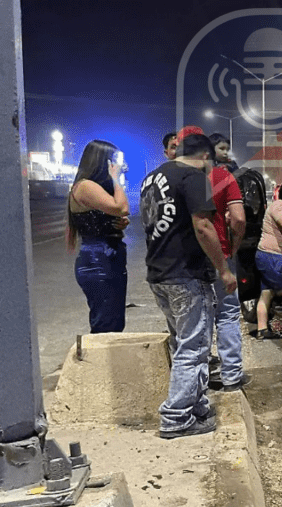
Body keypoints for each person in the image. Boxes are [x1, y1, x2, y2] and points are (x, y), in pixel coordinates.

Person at [140, 133, 237, 439]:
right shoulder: (193, 177)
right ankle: (176, 416)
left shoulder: (153, 177)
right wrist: (224, 270)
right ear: (205, 156)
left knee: (182, 342)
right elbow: (203, 226)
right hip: (185, 274)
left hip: (160, 273)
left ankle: (196, 404)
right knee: (194, 347)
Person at [180, 128, 252, 391]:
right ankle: (231, 375)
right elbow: (239, 219)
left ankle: (199, 378)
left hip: (187, 259)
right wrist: (233, 247)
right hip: (220, 253)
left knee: (196, 319)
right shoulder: (223, 176)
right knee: (228, 314)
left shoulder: (178, 176)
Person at [66, 140, 131, 333]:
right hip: (98, 258)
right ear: (102, 161)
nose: (117, 165)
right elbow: (121, 207)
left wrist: (117, 223)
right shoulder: (85, 186)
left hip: (107, 254)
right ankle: (99, 353)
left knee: (113, 320)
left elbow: (116, 212)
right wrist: (116, 178)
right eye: (113, 160)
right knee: (105, 323)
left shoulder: (92, 186)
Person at [254, 180, 282, 340]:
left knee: (266, 293)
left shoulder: (280, 206)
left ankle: (262, 329)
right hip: (272, 256)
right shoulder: (279, 207)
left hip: (267, 255)